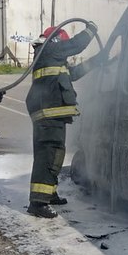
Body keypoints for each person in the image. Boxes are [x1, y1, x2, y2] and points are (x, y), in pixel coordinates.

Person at [26, 23, 99, 218]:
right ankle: (38, 203)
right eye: (62, 44)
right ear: (56, 41)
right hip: (49, 113)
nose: (64, 49)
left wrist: (99, 60)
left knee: (52, 154)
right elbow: (76, 45)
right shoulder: (49, 49)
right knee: (49, 154)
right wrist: (91, 30)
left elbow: (73, 73)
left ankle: (48, 193)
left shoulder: (51, 58)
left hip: (52, 114)